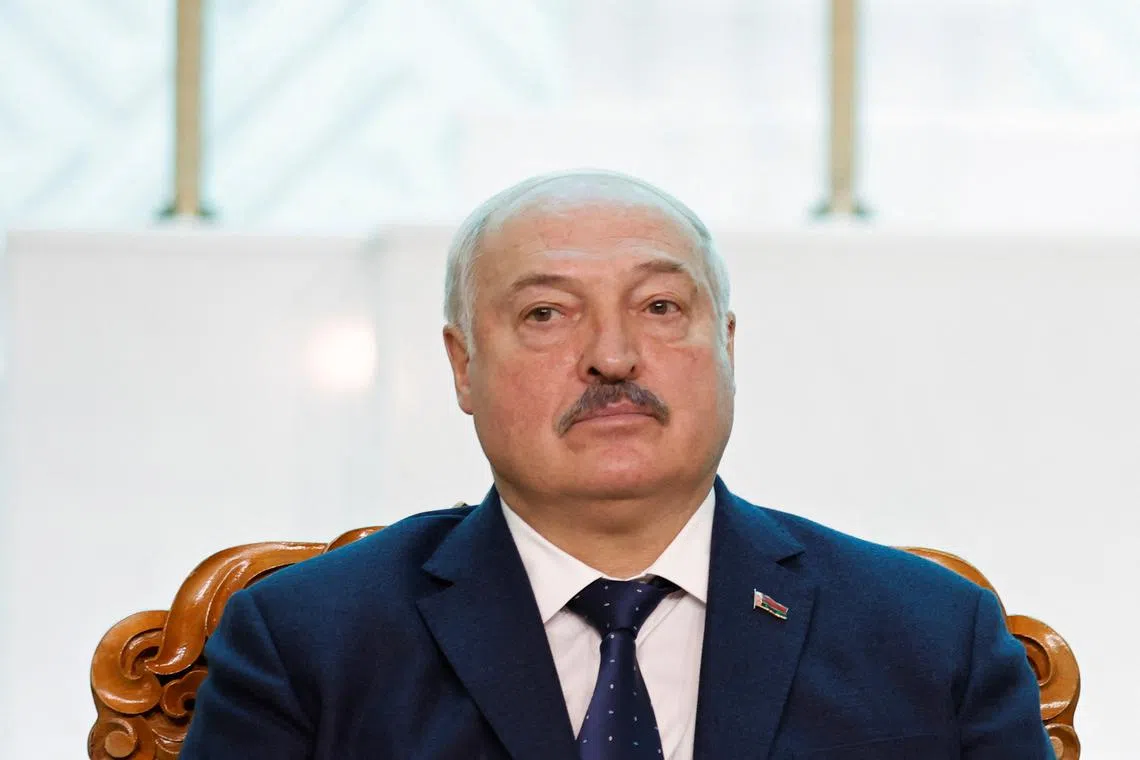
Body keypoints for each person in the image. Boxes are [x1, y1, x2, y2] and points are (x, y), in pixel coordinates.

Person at [182, 170, 1053, 759]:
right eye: (547, 315)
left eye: (661, 305)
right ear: (461, 368)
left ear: (727, 348)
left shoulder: (933, 638)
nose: (612, 356)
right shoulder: (308, 642)